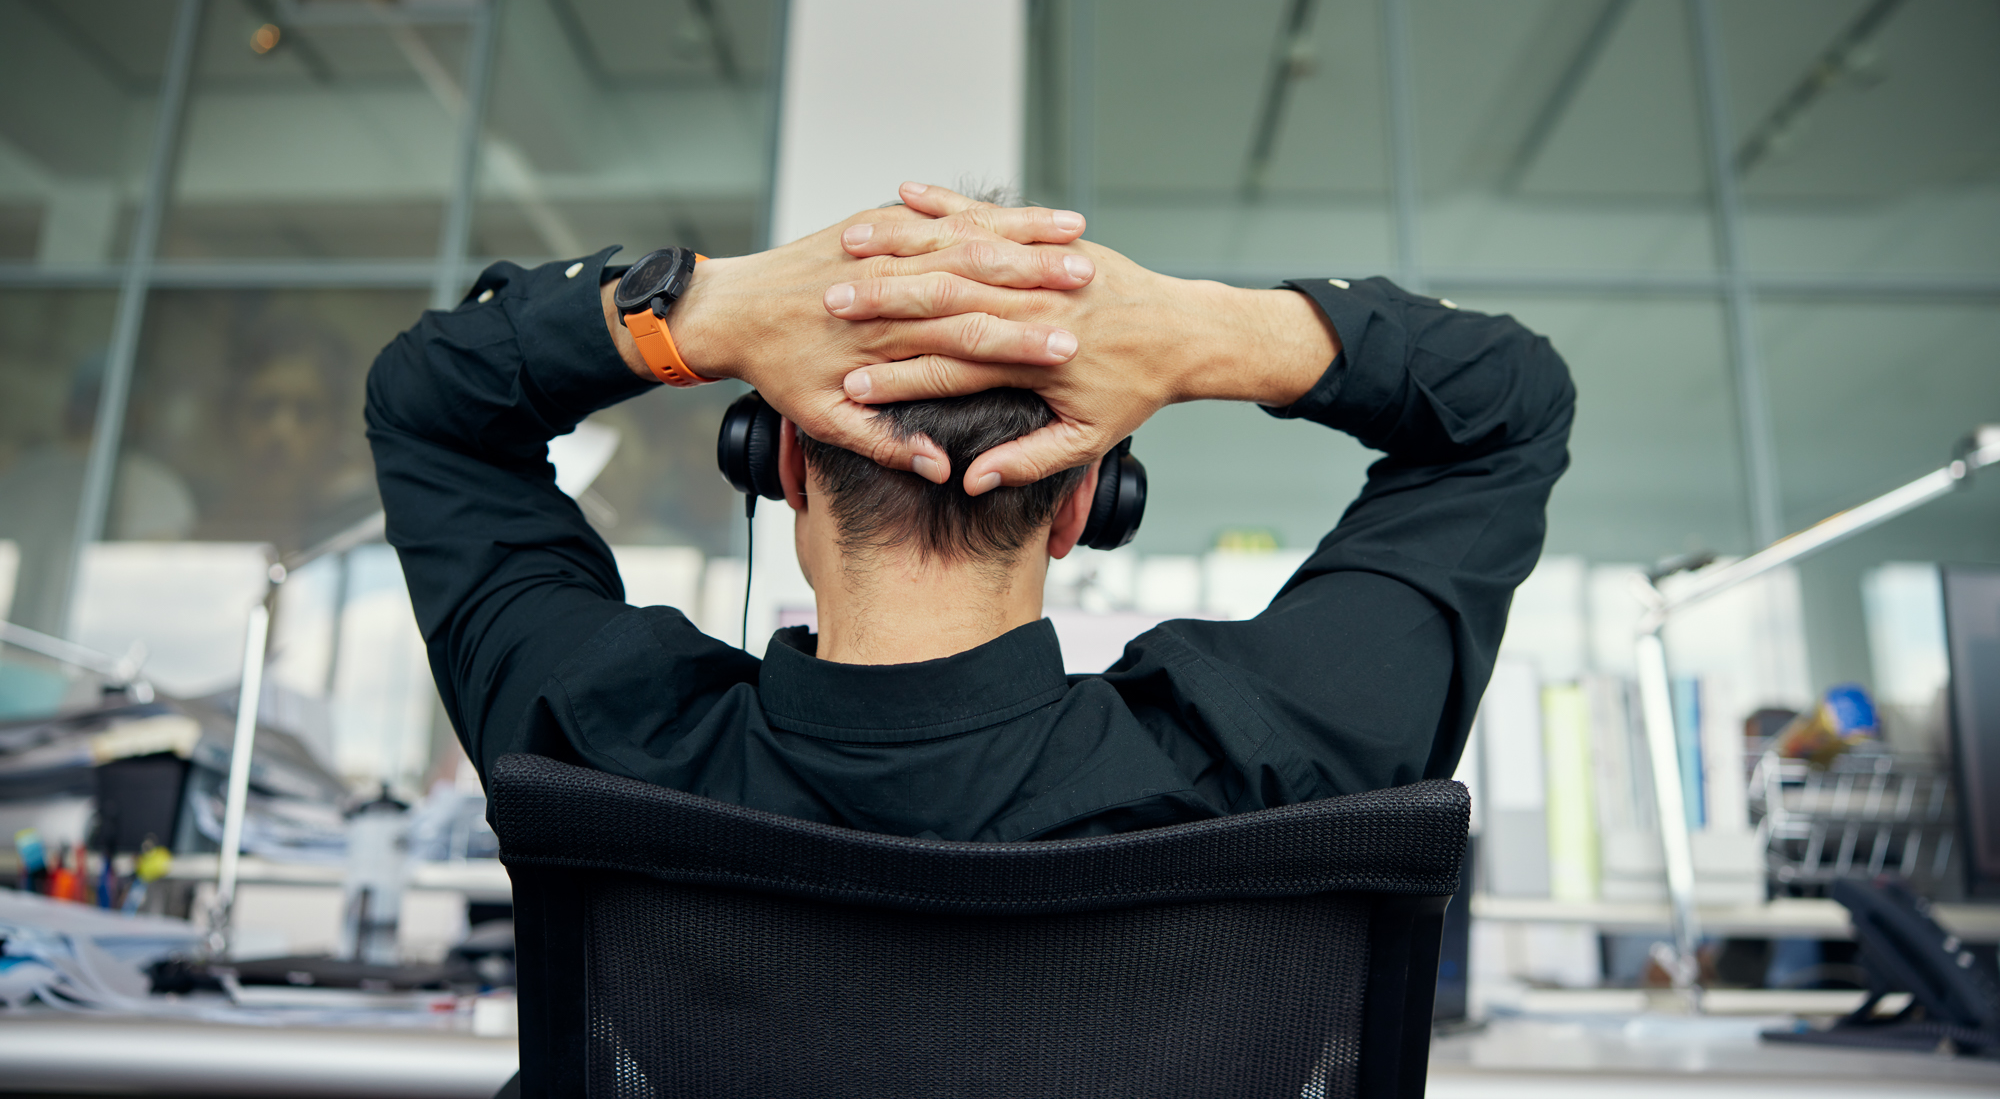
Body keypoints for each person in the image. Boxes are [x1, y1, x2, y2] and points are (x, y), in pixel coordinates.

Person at [367, 184, 1573, 840]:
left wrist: (697, 311)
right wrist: (1203, 331)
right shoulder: (1278, 760)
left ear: (778, 459)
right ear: (1087, 498)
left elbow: (427, 404)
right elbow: (1508, 405)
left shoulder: (594, 736)